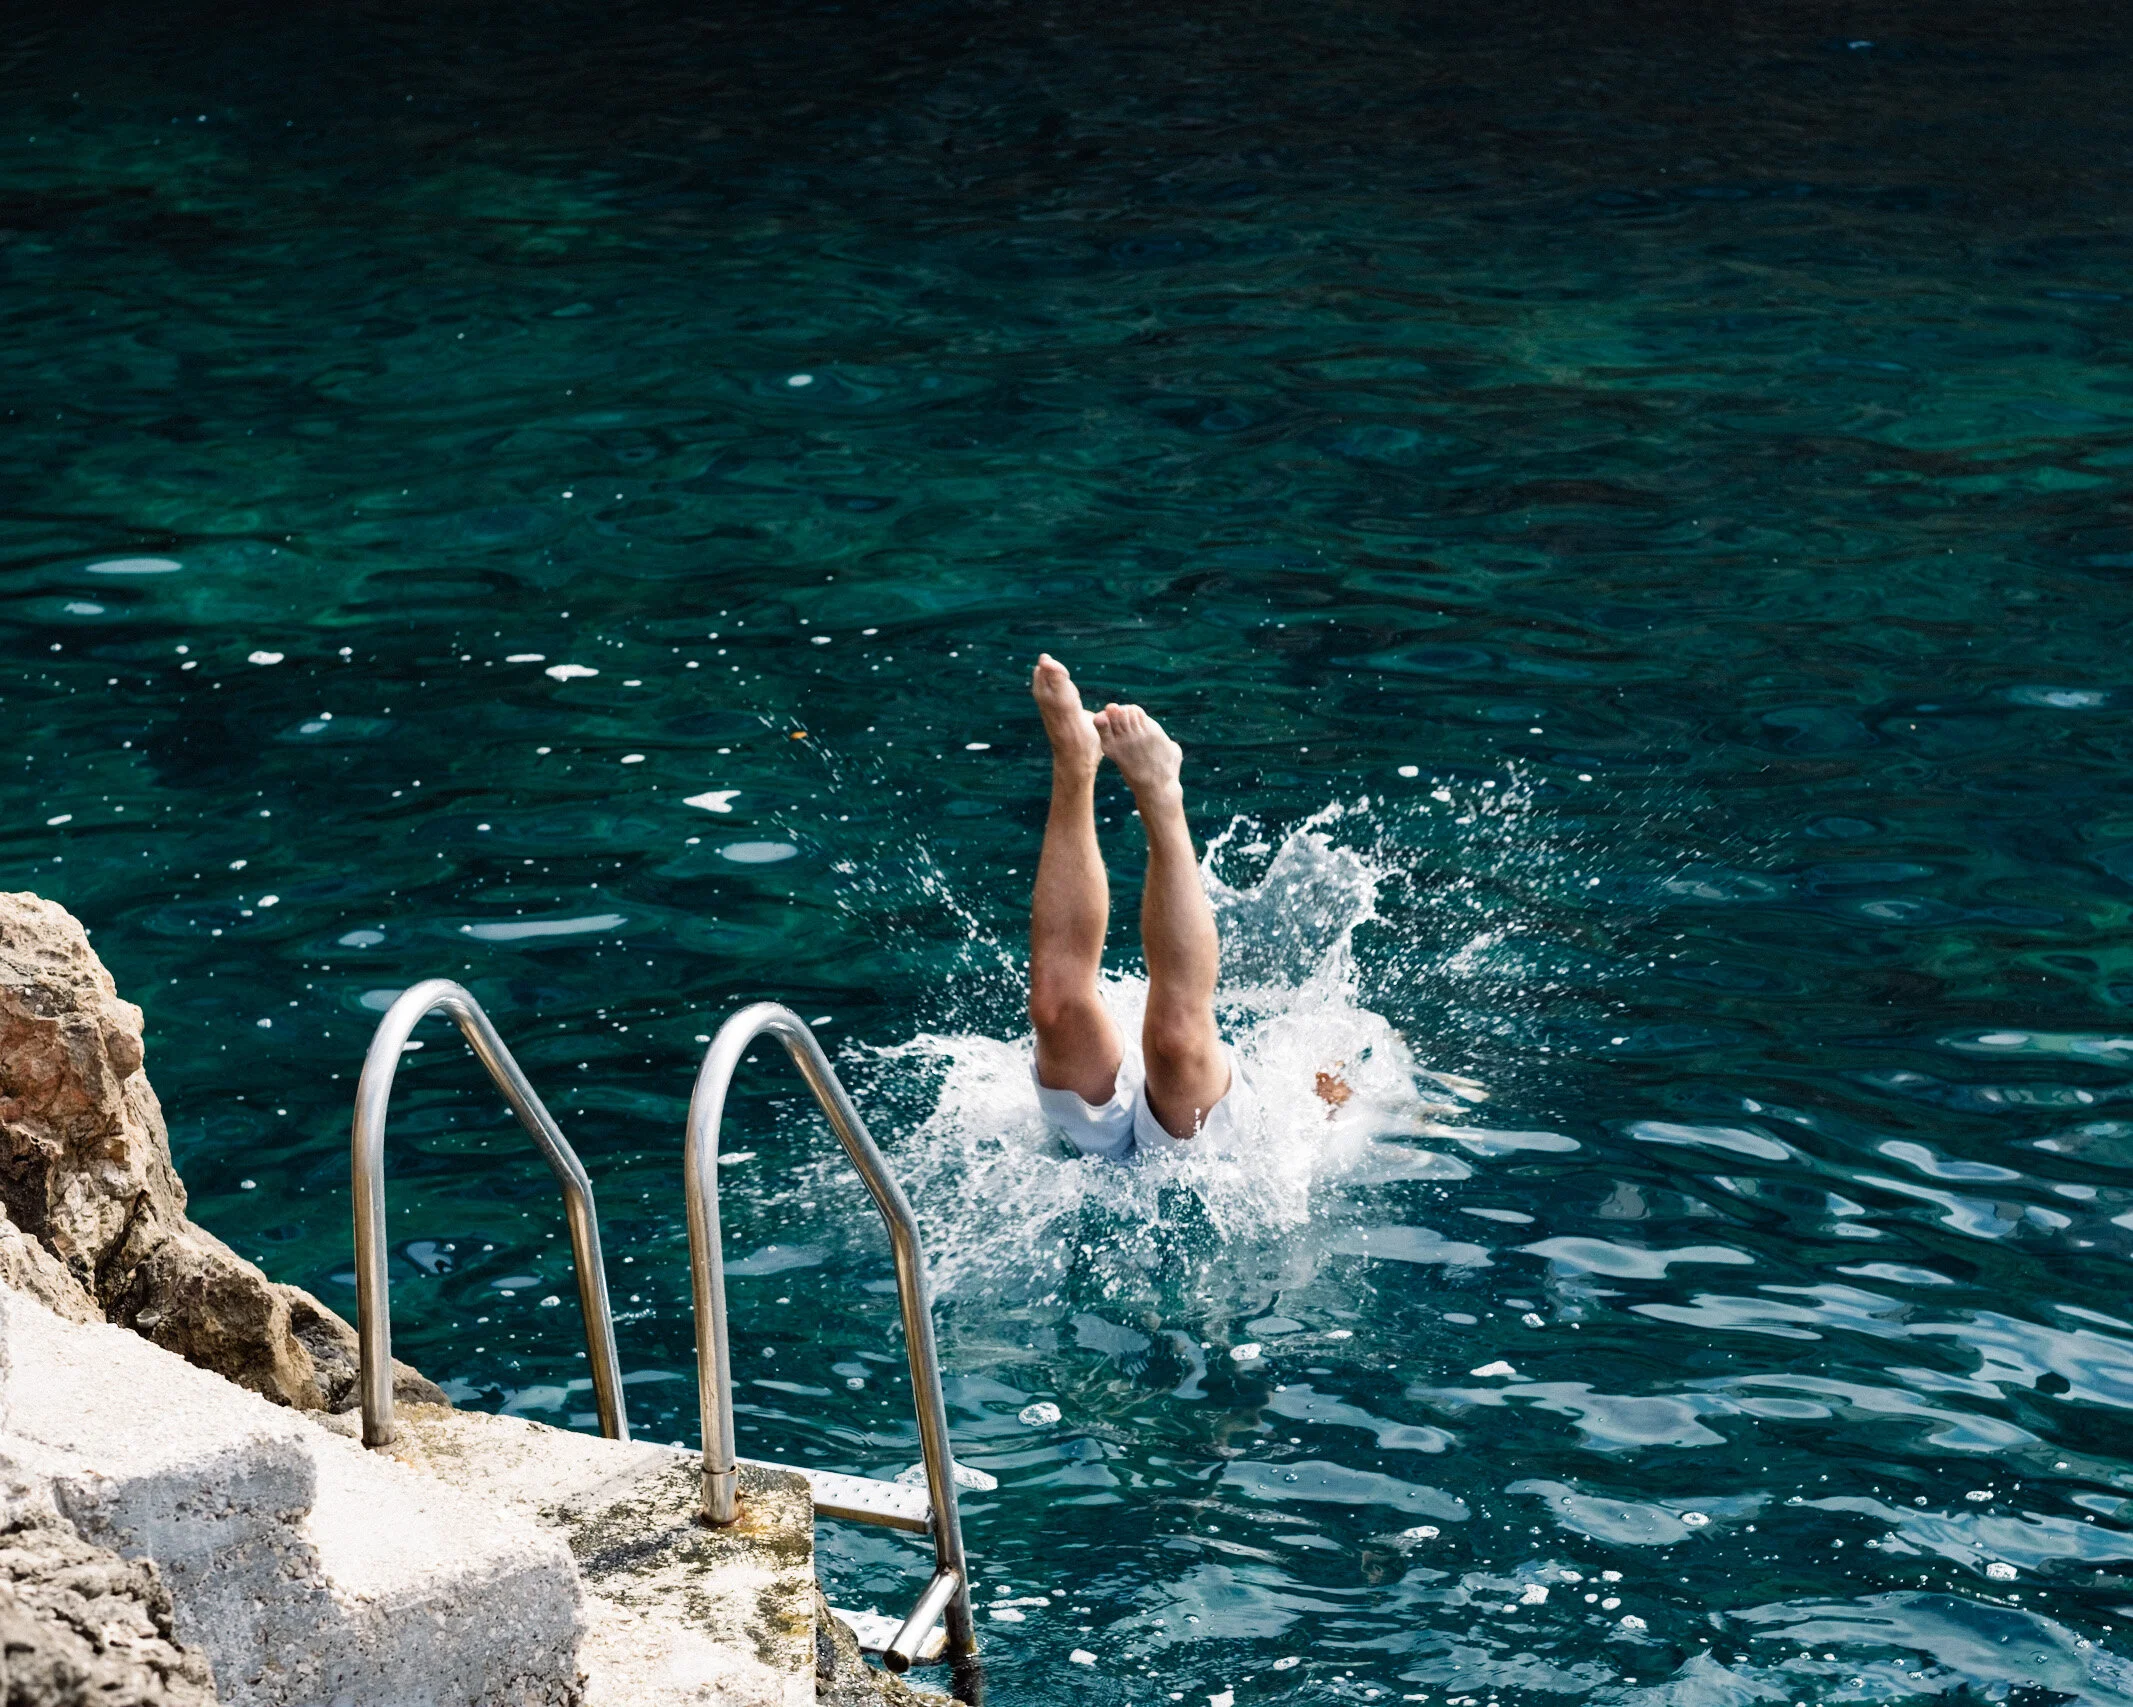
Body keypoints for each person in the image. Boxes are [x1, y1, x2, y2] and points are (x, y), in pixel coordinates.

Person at [1026, 654, 1258, 1161]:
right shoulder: (1358, 1082)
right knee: (1055, 1006)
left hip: (1202, 1166)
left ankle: (1149, 787)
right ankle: (1079, 760)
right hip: (1198, 1151)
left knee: (1170, 1036)